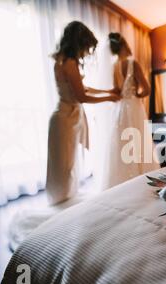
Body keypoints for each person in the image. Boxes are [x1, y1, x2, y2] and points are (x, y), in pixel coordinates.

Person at [47, 21, 119, 204]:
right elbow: (82, 97)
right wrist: (109, 98)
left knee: (66, 163)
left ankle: (63, 198)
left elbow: (83, 88)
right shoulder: (69, 62)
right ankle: (61, 200)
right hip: (65, 117)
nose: (87, 51)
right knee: (63, 165)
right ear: (78, 42)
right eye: (86, 46)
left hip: (68, 116)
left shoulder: (62, 60)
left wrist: (107, 92)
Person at [95, 32, 160, 189]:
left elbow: (116, 91)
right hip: (133, 107)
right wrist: (136, 94)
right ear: (124, 44)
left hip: (119, 110)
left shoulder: (114, 66)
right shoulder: (132, 63)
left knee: (120, 142)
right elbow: (147, 89)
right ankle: (139, 180)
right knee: (137, 140)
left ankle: (119, 182)